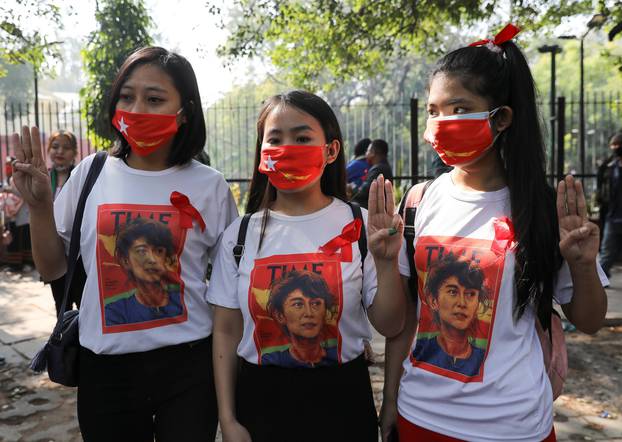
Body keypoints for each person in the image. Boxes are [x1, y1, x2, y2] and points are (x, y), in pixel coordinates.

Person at [379, 24, 609, 442]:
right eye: (433, 111)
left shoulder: (542, 208)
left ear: (500, 117)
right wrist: (390, 401)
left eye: (458, 108)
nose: (439, 124)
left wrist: (584, 265)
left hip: (515, 426)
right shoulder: (418, 201)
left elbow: (589, 319)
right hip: (421, 418)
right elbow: (401, 320)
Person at [10, 46, 237, 442]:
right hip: (106, 371)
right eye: (127, 96)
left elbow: (231, 284)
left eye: (154, 99)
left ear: (183, 111)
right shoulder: (91, 173)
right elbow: (51, 269)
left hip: (189, 367)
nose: (137, 109)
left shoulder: (209, 185)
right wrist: (40, 206)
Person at [208, 90, 406, 442]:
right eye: (275, 139)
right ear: (262, 154)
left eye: (302, 138)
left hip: (344, 406)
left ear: (331, 150)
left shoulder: (363, 227)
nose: (288, 148)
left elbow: (391, 325)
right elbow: (225, 330)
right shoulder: (238, 235)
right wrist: (228, 417)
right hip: (260, 407)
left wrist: (387, 262)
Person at [104, 218, 183, 326]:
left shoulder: (184, 300)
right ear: (126, 261)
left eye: (159, 251)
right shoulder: (115, 312)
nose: (152, 259)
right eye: (141, 251)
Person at [261, 269, 337, 367]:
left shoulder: (341, 354)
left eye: (316, 303)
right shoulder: (270, 361)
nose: (309, 313)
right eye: (298, 304)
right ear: (280, 315)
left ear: (326, 311)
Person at [597, 132, 622, 277]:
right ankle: (601, 277)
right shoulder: (608, 166)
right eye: (613, 145)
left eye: (618, 145)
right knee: (607, 251)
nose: (615, 148)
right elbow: (601, 188)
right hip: (612, 216)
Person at [352, 138, 394, 208]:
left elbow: (362, 193)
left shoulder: (377, 169)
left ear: (373, 153)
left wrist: (351, 187)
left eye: (367, 151)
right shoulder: (384, 167)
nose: (366, 154)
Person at [48, 130, 78, 200]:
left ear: (74, 153)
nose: (60, 151)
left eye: (66, 148)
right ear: (49, 149)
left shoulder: (79, 177)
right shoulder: (44, 177)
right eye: (55, 147)